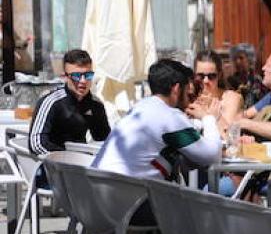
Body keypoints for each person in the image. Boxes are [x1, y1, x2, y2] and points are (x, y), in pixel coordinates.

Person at [93, 59, 222, 180]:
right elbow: (212, 156)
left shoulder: (139, 108)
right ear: (177, 89)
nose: (189, 96)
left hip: (95, 186)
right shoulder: (169, 115)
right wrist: (209, 118)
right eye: (187, 90)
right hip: (129, 195)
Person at [29, 48, 110, 158]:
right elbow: (36, 144)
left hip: (80, 164)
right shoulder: (52, 102)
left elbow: (104, 141)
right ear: (65, 77)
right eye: (76, 76)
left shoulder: (95, 104)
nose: (83, 81)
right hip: (52, 166)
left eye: (88, 75)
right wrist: (66, 158)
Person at [192, 50, 244, 126]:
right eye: (200, 76)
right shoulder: (190, 97)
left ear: (219, 75)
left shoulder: (230, 98)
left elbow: (228, 133)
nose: (206, 80)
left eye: (211, 76)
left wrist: (207, 115)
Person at [227, 43, 267, 108]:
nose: (238, 61)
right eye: (235, 58)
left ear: (249, 59)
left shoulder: (256, 79)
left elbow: (263, 101)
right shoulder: (230, 80)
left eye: (241, 58)